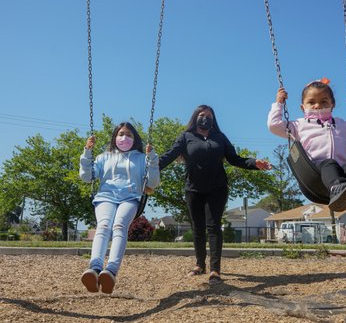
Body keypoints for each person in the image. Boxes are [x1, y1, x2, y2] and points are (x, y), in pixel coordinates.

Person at [159, 105, 271, 284]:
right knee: (197, 228)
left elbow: (235, 159)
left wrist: (254, 163)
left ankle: (215, 270)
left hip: (217, 188)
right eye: (202, 115)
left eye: (209, 116)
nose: (205, 118)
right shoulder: (185, 137)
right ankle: (199, 265)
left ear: (213, 119)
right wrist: (149, 168)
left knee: (213, 226)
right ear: (195, 117)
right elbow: (169, 156)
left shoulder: (220, 137)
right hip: (193, 189)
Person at [268, 77, 346, 212]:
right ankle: (337, 189)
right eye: (311, 102)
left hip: (342, 169)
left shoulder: (342, 124)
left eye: (324, 101)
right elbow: (274, 125)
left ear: (332, 104)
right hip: (315, 170)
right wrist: (279, 103)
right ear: (303, 107)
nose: (318, 105)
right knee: (329, 163)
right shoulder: (298, 125)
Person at [79, 122, 160, 294]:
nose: (124, 137)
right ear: (115, 137)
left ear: (135, 139)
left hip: (130, 198)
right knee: (103, 226)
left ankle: (111, 271)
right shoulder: (103, 157)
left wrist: (152, 159)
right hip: (105, 197)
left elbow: (153, 183)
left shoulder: (141, 158)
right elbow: (86, 177)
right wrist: (87, 152)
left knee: (119, 226)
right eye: (121, 133)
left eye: (129, 135)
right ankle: (94, 269)